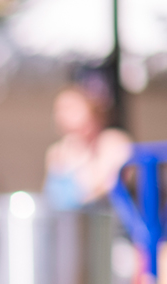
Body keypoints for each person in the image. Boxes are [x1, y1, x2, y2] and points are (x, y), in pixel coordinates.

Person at [43, 78, 133, 211]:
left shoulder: (112, 142)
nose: (62, 115)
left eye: (70, 107)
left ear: (91, 108)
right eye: (58, 109)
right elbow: (50, 200)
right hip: (66, 227)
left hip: (105, 225)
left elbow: (108, 188)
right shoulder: (56, 153)